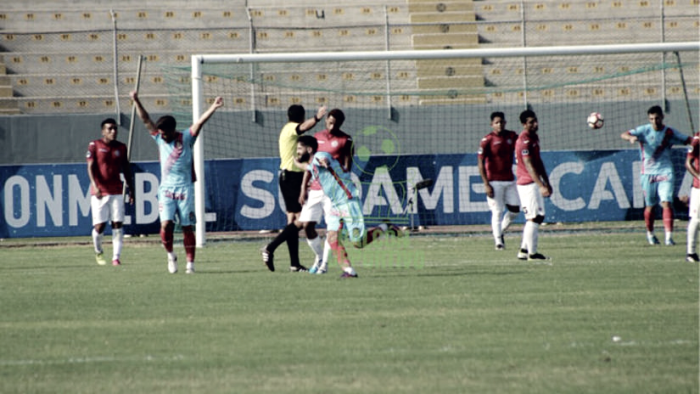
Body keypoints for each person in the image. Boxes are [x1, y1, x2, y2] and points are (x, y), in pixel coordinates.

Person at [130, 90, 223, 274]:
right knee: (165, 225)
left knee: (187, 227)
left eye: (165, 133)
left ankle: (190, 265)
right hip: (166, 190)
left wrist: (213, 106)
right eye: (161, 133)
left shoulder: (186, 138)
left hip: (185, 189)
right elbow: (146, 120)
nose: (162, 136)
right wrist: (136, 100)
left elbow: (200, 122)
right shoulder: (159, 138)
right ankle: (171, 255)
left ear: (173, 130)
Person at [296, 136, 401, 278]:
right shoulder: (312, 166)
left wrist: (324, 163)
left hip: (347, 200)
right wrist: (297, 163)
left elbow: (323, 160)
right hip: (335, 204)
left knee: (358, 242)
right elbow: (307, 166)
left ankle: (385, 227)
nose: (297, 152)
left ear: (309, 150)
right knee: (332, 237)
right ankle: (349, 270)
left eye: (299, 149)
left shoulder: (320, 156)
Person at [261, 104, 327, 273]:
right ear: (302, 117)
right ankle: (270, 247)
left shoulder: (288, 129)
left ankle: (294, 264)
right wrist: (318, 117)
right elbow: (304, 127)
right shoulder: (291, 128)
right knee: (302, 220)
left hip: (290, 176)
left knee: (292, 220)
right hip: (291, 176)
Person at [621, 105, 691, 246]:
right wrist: (630, 138)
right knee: (650, 206)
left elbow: (687, 139)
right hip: (647, 173)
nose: (654, 121)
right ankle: (650, 234)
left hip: (665, 171)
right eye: (651, 119)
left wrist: (694, 141)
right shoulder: (644, 130)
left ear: (662, 117)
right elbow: (624, 134)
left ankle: (668, 237)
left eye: (657, 118)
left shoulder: (669, 132)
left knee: (666, 202)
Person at [300, 108, 353, 274]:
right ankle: (320, 257)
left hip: (332, 190)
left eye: (335, 124)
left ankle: (324, 266)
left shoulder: (346, 140)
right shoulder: (317, 137)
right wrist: (303, 187)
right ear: (326, 121)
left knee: (332, 230)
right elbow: (310, 164)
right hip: (315, 189)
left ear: (341, 124)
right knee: (307, 226)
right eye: (329, 122)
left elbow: (347, 167)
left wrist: (334, 170)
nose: (331, 126)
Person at [86, 118, 134, 266]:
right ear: (103, 131)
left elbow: (126, 168)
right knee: (99, 226)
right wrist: (95, 185)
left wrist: (131, 189)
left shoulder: (121, 147)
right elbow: (90, 167)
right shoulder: (94, 145)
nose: (113, 131)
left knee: (117, 224)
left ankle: (116, 258)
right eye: (110, 129)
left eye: (115, 129)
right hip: (100, 191)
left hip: (117, 191)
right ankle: (98, 251)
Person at [477, 111, 520, 250]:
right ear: (492, 125)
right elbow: (480, 163)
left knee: (515, 209)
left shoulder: (512, 136)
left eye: (501, 122)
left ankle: (499, 232)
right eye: (496, 122)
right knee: (497, 211)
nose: (499, 124)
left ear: (505, 122)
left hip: (509, 180)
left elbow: (522, 145)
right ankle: (498, 243)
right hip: (494, 182)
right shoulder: (487, 140)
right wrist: (486, 184)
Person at [515, 109, 552, 261]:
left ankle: (524, 250)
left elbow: (538, 161)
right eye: (531, 122)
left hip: (534, 182)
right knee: (534, 217)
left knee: (538, 217)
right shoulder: (524, 141)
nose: (535, 124)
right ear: (524, 124)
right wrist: (540, 185)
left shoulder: (534, 138)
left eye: (535, 121)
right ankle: (532, 253)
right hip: (527, 184)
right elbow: (529, 164)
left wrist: (546, 182)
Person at [685, 131, 700, 262]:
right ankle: (691, 253)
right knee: (696, 219)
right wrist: (698, 176)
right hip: (699, 188)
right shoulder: (697, 139)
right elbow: (688, 163)